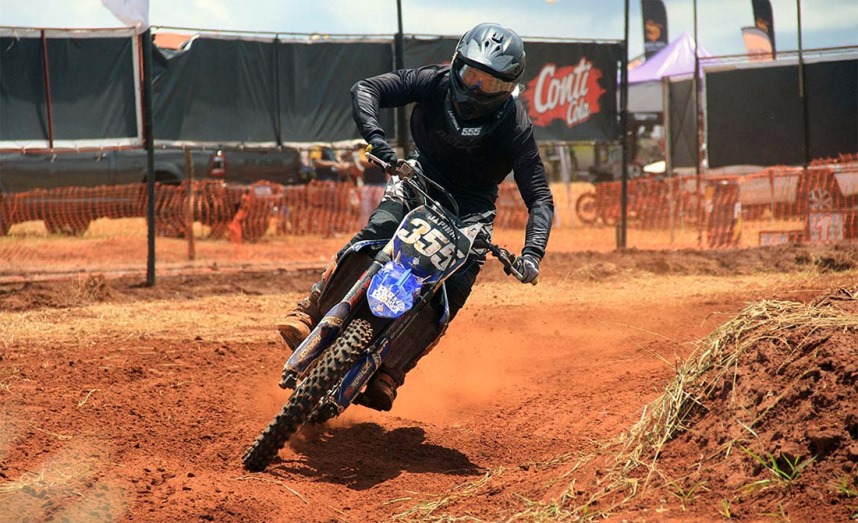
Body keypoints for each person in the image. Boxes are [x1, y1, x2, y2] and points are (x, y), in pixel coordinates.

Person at [277, 23, 554, 411]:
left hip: (471, 213)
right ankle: (309, 309)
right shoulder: (432, 82)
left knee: (450, 292)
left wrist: (532, 253)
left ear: (509, 88)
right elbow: (367, 89)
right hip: (417, 180)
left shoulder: (515, 126)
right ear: (456, 64)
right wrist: (376, 138)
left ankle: (391, 373)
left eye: (489, 85)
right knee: (376, 234)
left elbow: (539, 195)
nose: (475, 89)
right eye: (471, 75)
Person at [353, 143, 389, 224]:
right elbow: (363, 162)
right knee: (366, 209)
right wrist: (379, 162)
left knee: (380, 208)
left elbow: (387, 162)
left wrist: (376, 162)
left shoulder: (383, 149)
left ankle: (380, 228)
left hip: (381, 184)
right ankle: (365, 229)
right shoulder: (364, 150)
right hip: (368, 184)